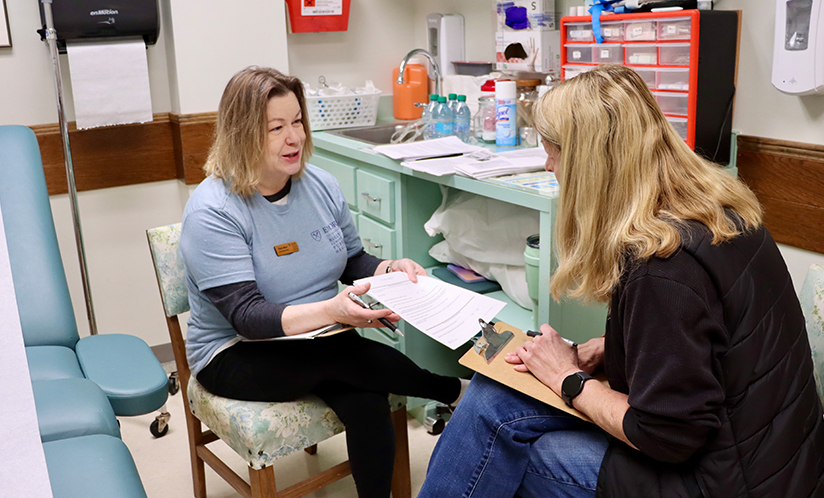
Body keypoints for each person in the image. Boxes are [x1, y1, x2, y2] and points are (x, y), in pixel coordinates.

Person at [418, 64, 824, 498]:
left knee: (509, 446)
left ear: (591, 164)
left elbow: (667, 435)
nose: (547, 164)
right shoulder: (720, 209)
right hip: (778, 453)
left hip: (730, 481)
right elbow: (703, 348)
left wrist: (567, 379)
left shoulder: (664, 267)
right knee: (492, 393)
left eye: (553, 151)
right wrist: (606, 352)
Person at [179, 66, 467, 498]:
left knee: (363, 394)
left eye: (296, 121)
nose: (293, 138)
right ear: (241, 134)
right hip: (233, 353)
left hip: (317, 338)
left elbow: (351, 259)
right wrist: (332, 312)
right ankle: (453, 390)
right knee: (344, 361)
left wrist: (389, 269)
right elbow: (246, 317)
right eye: (275, 128)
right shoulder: (213, 211)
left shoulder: (319, 186)